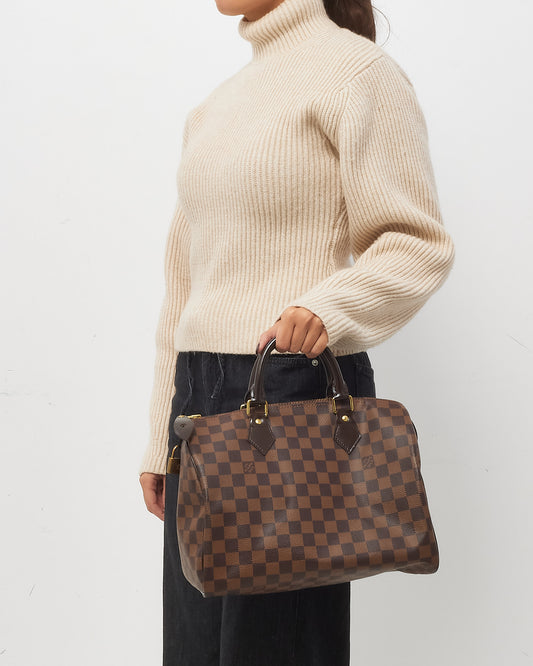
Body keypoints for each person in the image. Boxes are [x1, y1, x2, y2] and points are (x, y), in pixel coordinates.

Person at [138, 0, 455, 664]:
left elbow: (415, 241)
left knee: (275, 647)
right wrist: (157, 442)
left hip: (290, 381)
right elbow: (182, 285)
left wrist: (329, 306)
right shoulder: (212, 108)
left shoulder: (356, 72)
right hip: (195, 400)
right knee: (193, 647)